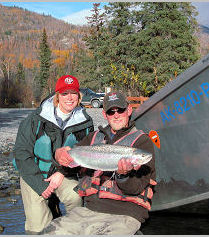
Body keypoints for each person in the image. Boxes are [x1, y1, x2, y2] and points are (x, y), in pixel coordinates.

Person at [42, 91, 156, 235]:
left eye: (120, 110)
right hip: (90, 210)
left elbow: (135, 189)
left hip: (126, 214)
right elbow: (69, 162)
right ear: (104, 115)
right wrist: (58, 157)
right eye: (110, 111)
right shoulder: (93, 138)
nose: (116, 115)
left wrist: (123, 176)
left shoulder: (142, 142)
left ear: (128, 110)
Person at [14, 75, 94, 234]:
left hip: (63, 174)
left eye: (73, 93)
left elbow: (83, 157)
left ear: (79, 96)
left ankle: (73, 230)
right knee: (38, 229)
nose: (69, 98)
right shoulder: (35, 119)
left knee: (75, 197)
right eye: (65, 94)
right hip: (35, 174)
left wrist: (61, 173)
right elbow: (21, 154)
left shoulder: (85, 122)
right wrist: (40, 185)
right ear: (57, 96)